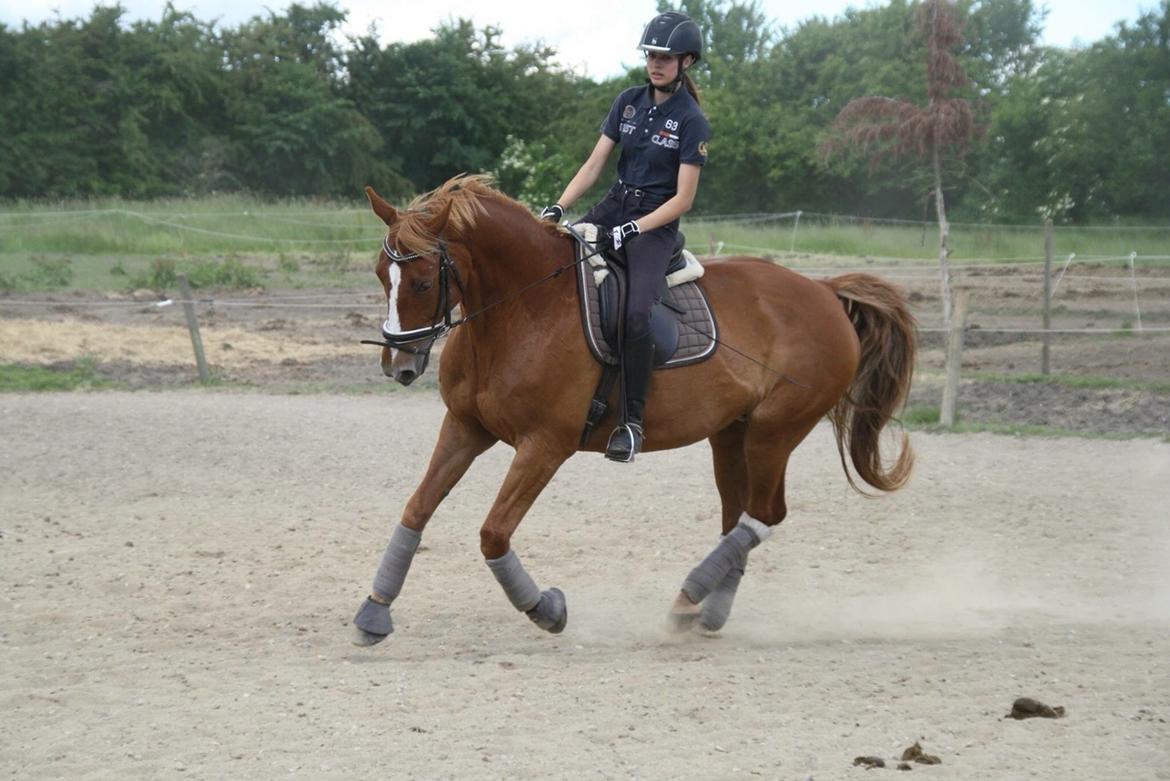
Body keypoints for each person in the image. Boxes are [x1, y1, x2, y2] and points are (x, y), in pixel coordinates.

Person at [541, 11, 711, 464]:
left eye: (666, 57)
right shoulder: (628, 102)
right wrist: (560, 207)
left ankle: (631, 422)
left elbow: (684, 199)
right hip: (613, 205)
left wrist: (635, 228)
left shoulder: (692, 121)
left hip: (654, 226)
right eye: (652, 55)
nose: (656, 63)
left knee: (636, 316)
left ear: (686, 61)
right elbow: (594, 164)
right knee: (553, 267)